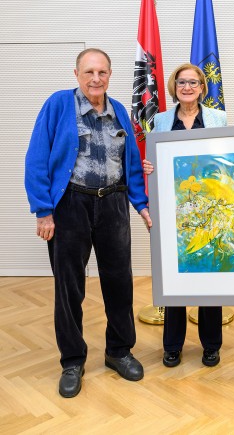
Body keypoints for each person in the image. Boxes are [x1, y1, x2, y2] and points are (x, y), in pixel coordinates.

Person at [25, 48, 152, 398]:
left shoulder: (120, 112)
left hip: (112, 204)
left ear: (110, 75)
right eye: (89, 72)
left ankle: (119, 351)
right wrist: (43, 210)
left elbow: (130, 164)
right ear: (77, 74)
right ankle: (72, 359)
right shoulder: (58, 105)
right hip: (70, 205)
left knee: (119, 283)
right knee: (69, 287)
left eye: (102, 72)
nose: (96, 79)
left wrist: (141, 206)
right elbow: (37, 157)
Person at [143, 63, 227, 368]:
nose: (187, 87)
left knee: (210, 274)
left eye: (193, 82)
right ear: (173, 86)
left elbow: (228, 159)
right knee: (173, 276)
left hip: (211, 207)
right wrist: (148, 167)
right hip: (172, 209)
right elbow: (153, 158)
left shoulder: (219, 118)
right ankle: (172, 345)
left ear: (203, 87)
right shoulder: (162, 120)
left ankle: (211, 345)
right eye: (182, 82)